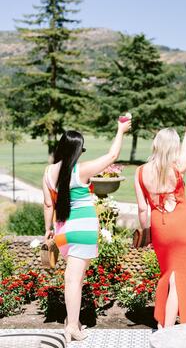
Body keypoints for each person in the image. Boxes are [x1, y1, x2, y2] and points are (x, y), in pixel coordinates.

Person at [42, 120, 131, 342]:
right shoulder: (80, 170)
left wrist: (47, 231)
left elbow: (47, 205)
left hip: (63, 232)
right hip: (84, 231)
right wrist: (120, 130)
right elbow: (112, 156)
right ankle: (72, 326)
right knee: (74, 280)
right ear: (77, 150)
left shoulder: (48, 171)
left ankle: (72, 320)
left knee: (74, 279)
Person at [134, 90, 186, 328]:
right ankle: (168, 328)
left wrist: (147, 233)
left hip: (160, 228)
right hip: (182, 225)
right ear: (173, 147)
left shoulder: (140, 172)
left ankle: (165, 322)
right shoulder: (178, 167)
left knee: (169, 274)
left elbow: (143, 209)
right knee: (179, 276)